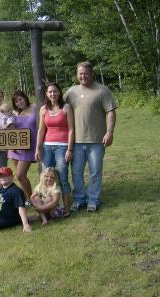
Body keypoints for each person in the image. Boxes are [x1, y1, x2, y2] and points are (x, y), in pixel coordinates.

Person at [64, 61, 117, 212]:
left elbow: (111, 112)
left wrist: (110, 132)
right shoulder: (71, 92)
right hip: (76, 142)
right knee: (76, 172)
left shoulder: (102, 90)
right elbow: (57, 105)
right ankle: (79, 199)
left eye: (86, 73)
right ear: (77, 74)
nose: (83, 76)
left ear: (91, 73)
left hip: (96, 141)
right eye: (80, 73)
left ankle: (93, 200)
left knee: (95, 171)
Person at [35, 82, 74, 216]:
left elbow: (71, 129)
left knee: (62, 177)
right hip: (47, 147)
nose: (53, 94)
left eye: (55, 91)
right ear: (46, 94)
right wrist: (37, 148)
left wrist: (70, 149)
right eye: (50, 92)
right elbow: (41, 130)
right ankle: (48, 207)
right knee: (46, 178)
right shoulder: (43, 109)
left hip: (62, 147)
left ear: (59, 92)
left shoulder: (66, 108)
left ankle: (66, 207)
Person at [7, 90, 37, 201]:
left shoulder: (35, 107)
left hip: (29, 146)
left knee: (20, 175)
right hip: (16, 148)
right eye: (16, 101)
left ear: (25, 97)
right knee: (21, 177)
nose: (19, 102)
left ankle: (32, 198)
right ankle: (27, 198)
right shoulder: (15, 113)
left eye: (20, 99)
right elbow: (10, 129)